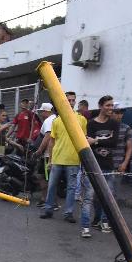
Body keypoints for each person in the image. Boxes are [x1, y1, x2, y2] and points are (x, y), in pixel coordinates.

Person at [39, 92, 87, 221]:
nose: (71, 102)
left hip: (73, 160)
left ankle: (68, 213)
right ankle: (48, 209)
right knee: (52, 185)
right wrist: (50, 160)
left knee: (71, 188)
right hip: (57, 159)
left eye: (73, 100)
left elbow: (83, 140)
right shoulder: (57, 121)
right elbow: (52, 141)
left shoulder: (81, 120)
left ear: (75, 102)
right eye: (68, 100)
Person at [82, 95, 118, 236]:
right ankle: (85, 226)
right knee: (89, 197)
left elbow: (114, 143)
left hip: (108, 165)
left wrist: (96, 141)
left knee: (108, 197)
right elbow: (87, 142)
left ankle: (104, 222)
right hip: (92, 165)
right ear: (101, 106)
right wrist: (100, 141)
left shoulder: (114, 123)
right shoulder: (91, 124)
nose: (110, 108)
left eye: (111, 105)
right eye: (108, 105)